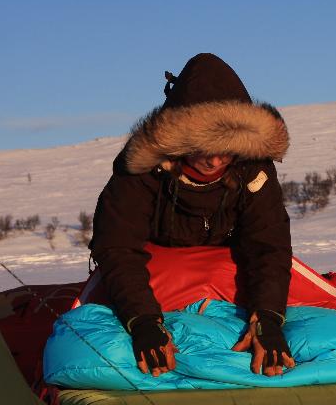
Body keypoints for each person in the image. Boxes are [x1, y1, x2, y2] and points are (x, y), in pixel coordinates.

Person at [90, 53, 294, 378]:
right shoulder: (141, 172)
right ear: (180, 141)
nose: (214, 162)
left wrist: (268, 317)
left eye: (226, 149)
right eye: (202, 148)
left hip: (226, 276)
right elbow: (117, 247)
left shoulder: (252, 170)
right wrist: (142, 320)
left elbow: (268, 245)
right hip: (151, 279)